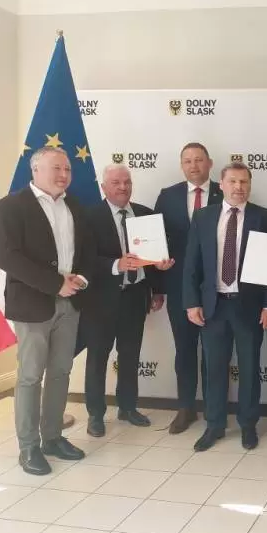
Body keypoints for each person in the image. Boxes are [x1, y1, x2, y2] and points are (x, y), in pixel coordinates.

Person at [0, 147, 94, 475]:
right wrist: (54, 284)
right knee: (30, 376)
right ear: (35, 170)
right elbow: (7, 257)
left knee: (61, 372)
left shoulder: (75, 206)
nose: (64, 175)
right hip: (32, 305)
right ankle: (28, 447)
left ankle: (52, 438)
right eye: (56, 168)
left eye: (67, 169)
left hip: (71, 303)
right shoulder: (10, 207)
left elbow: (86, 252)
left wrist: (80, 278)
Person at [182, 161, 267, 452]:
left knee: (249, 369)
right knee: (213, 369)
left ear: (250, 185)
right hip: (213, 307)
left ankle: (248, 425)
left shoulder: (265, 217)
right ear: (221, 185)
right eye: (233, 182)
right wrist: (191, 303)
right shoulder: (203, 217)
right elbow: (192, 263)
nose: (239, 187)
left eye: (244, 182)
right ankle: (214, 425)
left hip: (249, 307)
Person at [79, 164, 174, 438]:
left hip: (135, 296)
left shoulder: (146, 214)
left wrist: (159, 282)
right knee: (98, 358)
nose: (123, 187)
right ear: (103, 187)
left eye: (127, 182)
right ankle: (96, 414)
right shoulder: (88, 217)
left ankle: (128, 407)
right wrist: (115, 265)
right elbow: (83, 260)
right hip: (100, 301)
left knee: (131, 355)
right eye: (116, 182)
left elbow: (154, 259)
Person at [154, 143, 223, 434]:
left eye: (199, 160)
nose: (193, 166)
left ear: (210, 163)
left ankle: (213, 408)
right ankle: (185, 408)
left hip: (217, 288)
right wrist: (157, 275)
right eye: (187, 161)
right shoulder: (167, 196)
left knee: (214, 351)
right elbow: (157, 239)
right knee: (184, 349)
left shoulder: (225, 191)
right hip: (180, 286)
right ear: (181, 165)